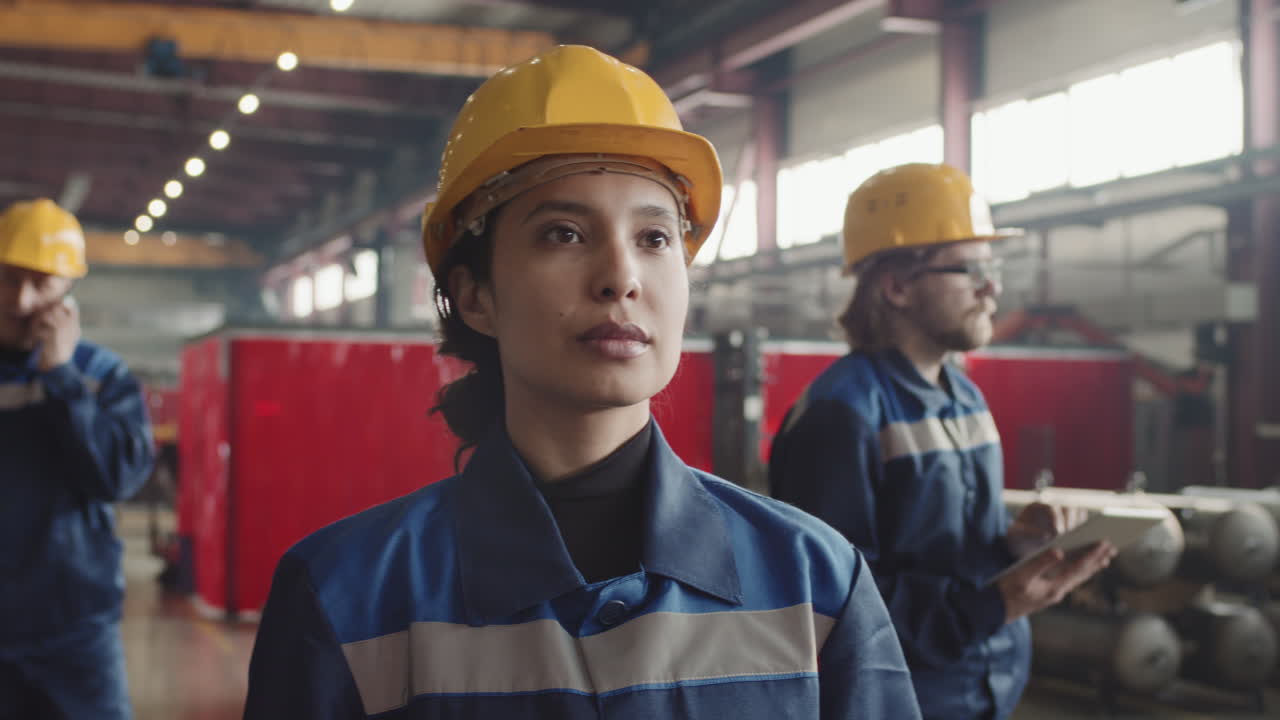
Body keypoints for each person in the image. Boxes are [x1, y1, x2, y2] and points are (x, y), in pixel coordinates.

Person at [243, 45, 920, 719]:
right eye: (563, 233)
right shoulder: (346, 599)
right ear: (474, 294)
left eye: (655, 239)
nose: (620, 277)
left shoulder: (818, 584)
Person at [768, 163, 1114, 720]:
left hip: (986, 687)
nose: (992, 287)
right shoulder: (841, 415)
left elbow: (948, 547)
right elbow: (834, 601)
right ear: (897, 287)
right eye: (969, 269)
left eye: (992, 267)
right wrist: (989, 607)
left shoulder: (964, 395)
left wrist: (1016, 545)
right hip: (903, 699)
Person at [0, 198, 155, 720]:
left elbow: (116, 478)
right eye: (8, 278)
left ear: (67, 290)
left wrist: (62, 378)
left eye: (40, 283)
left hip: (73, 630)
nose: (20, 300)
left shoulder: (99, 375)